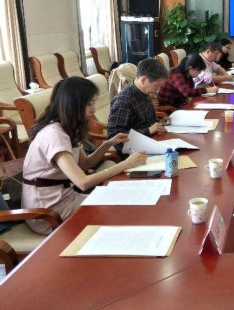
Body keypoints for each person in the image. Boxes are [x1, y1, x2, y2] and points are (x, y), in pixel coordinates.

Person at [22, 77, 147, 235]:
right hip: (47, 212)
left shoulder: (66, 128)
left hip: (63, 199)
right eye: (89, 104)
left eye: (93, 102)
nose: (93, 109)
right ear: (73, 104)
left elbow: (85, 164)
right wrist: (125, 164)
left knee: (122, 203)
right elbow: (82, 182)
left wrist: (107, 144)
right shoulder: (54, 135)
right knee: (119, 210)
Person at [108, 58, 169, 152]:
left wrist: (160, 121)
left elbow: (145, 121)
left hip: (151, 141)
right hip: (135, 151)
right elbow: (115, 138)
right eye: (157, 86)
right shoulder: (124, 101)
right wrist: (148, 130)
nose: (158, 90)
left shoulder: (144, 92)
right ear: (143, 80)